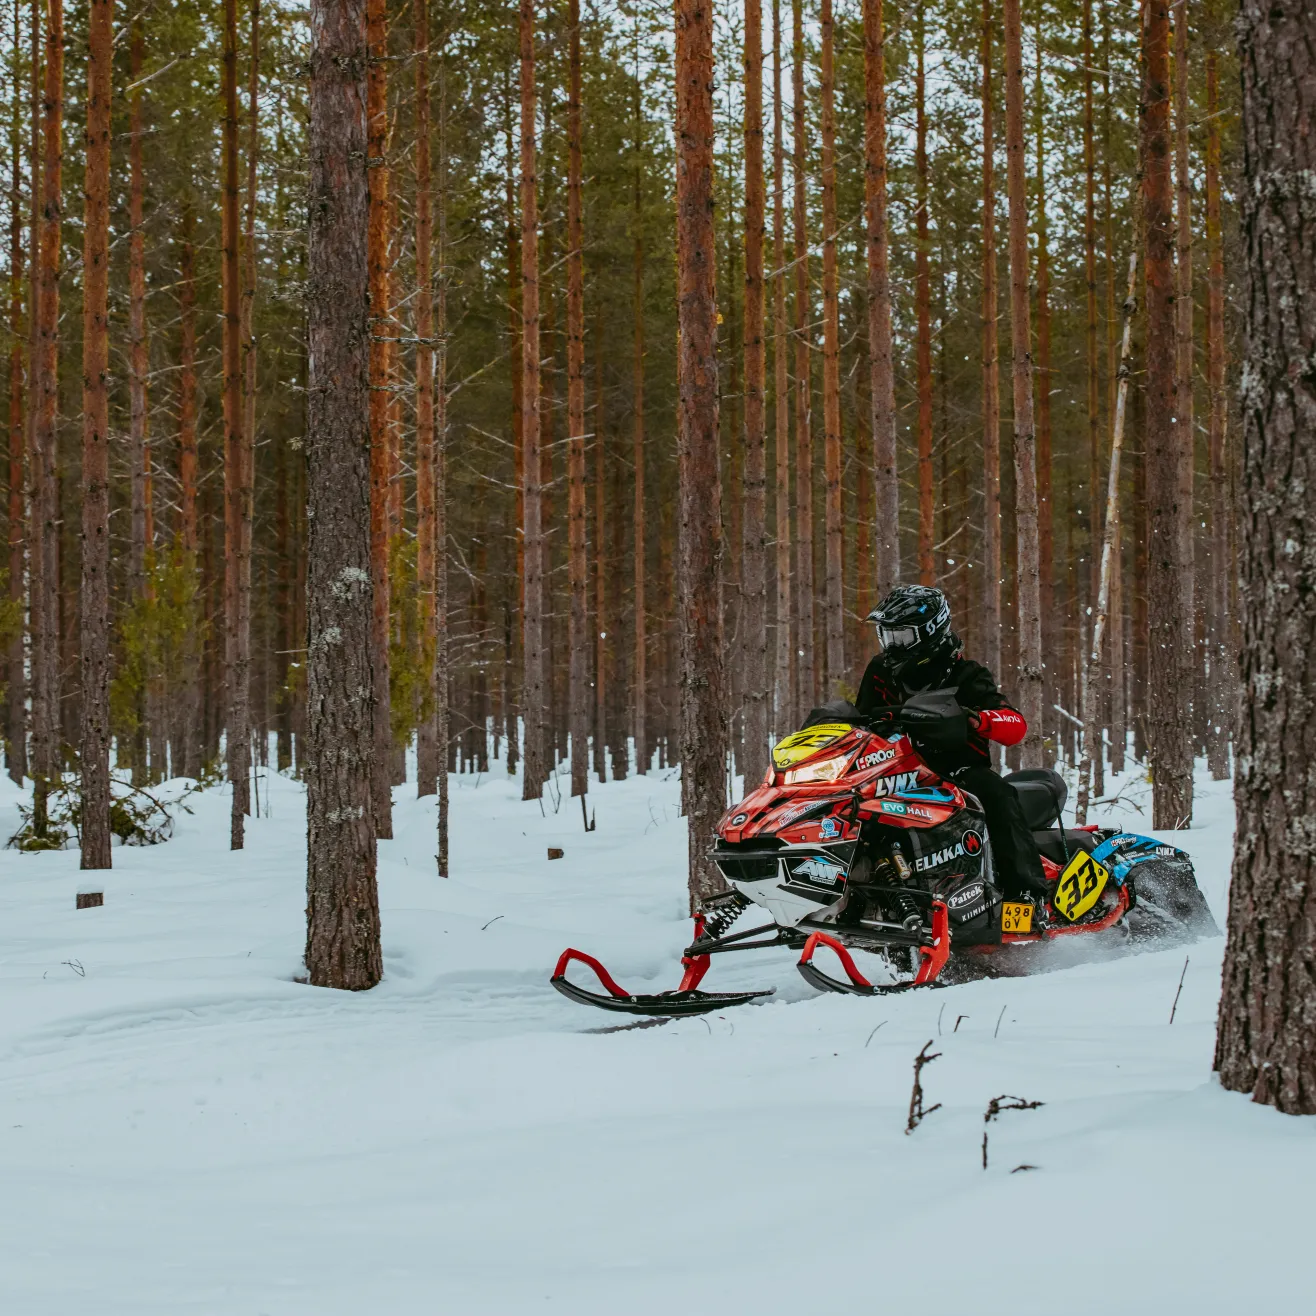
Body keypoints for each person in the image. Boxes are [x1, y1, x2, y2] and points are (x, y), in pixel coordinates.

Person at [855, 583, 1050, 903]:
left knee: (996, 793)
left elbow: (1015, 725)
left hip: (958, 769)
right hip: (895, 767)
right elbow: (862, 717)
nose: (891, 645)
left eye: (900, 636)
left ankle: (1026, 894)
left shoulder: (966, 673)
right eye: (886, 635)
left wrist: (979, 719)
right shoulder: (880, 670)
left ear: (929, 631)